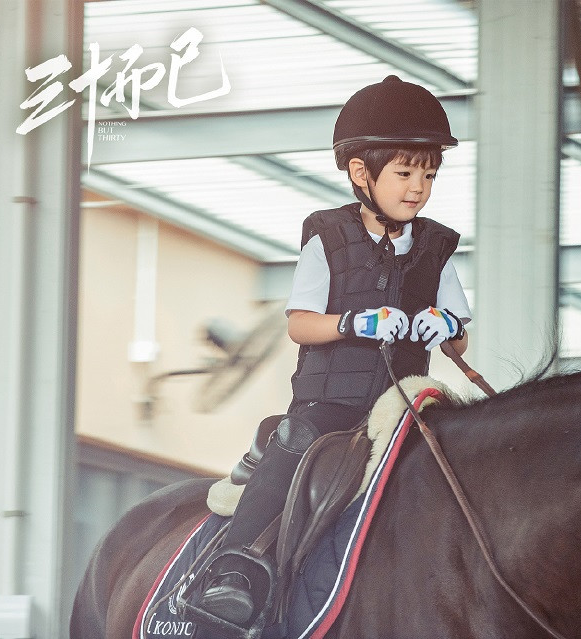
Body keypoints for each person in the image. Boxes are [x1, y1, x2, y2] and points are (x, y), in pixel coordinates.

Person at [194, 75, 471, 629]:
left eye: (428, 175)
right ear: (360, 174)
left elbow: (460, 337)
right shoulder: (326, 239)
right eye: (404, 173)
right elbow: (299, 325)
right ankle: (234, 568)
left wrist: (442, 322)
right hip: (332, 404)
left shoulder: (438, 249)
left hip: (401, 405)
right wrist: (355, 321)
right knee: (296, 442)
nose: (418, 187)